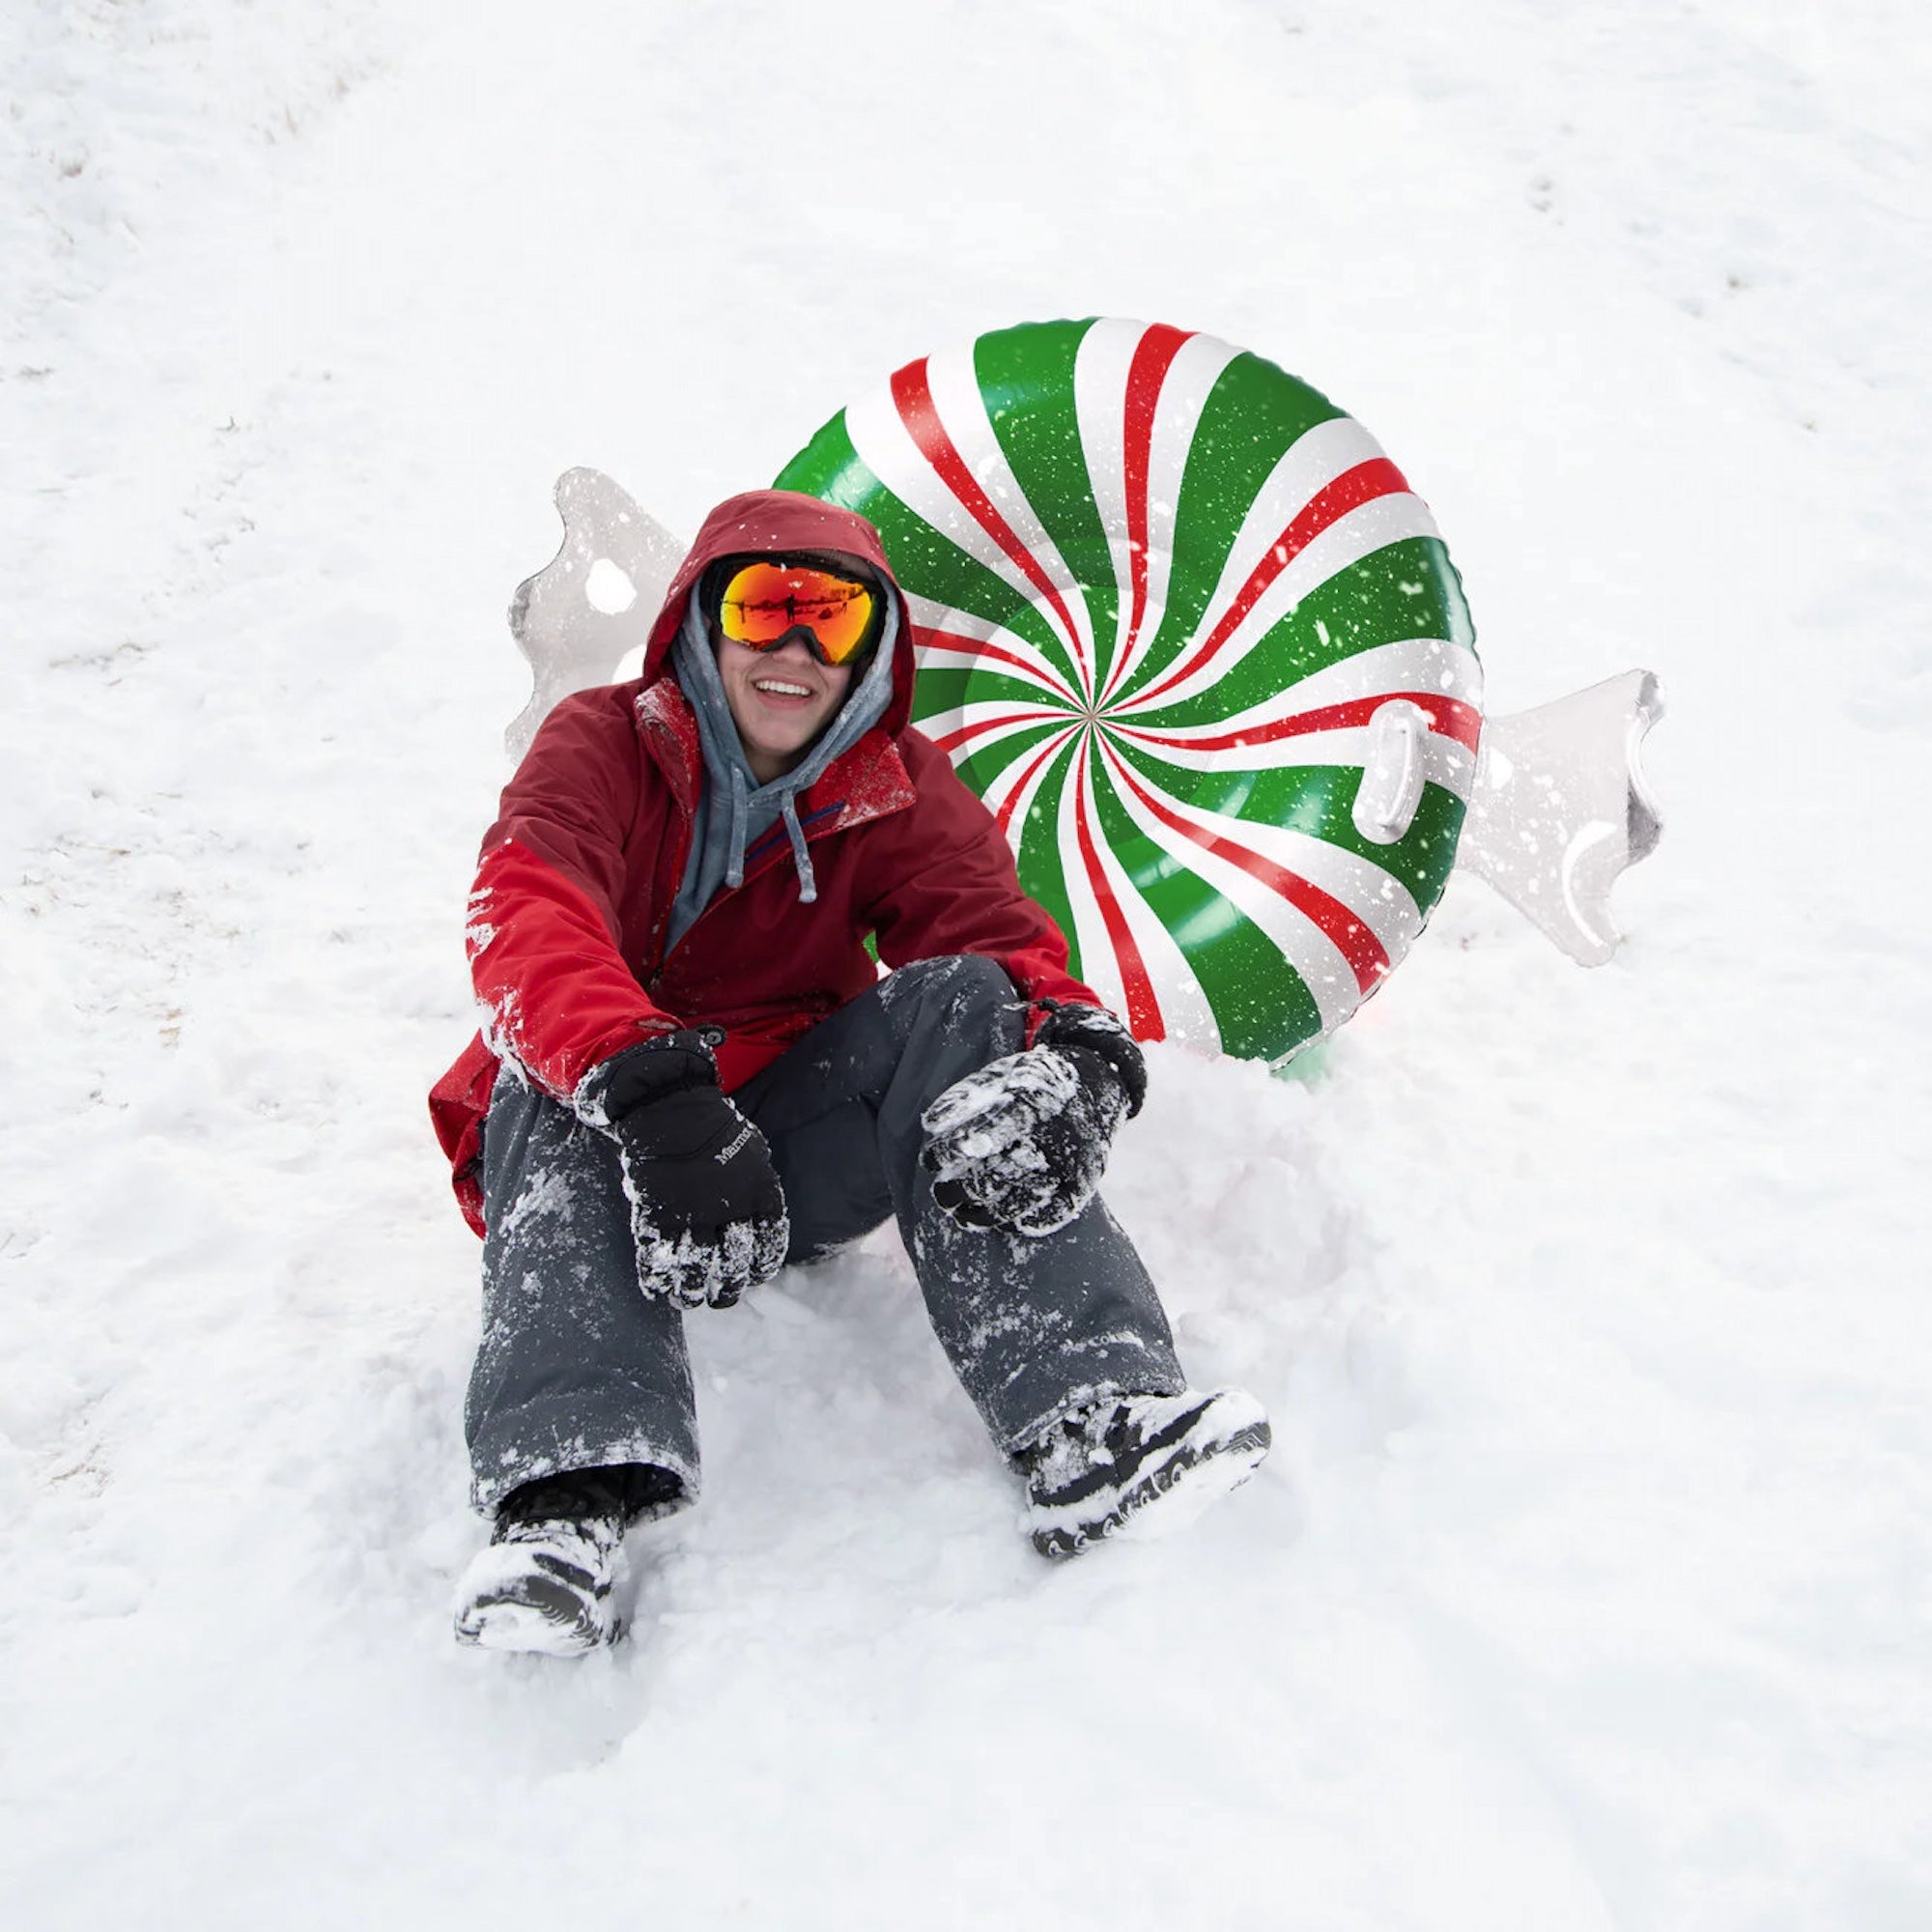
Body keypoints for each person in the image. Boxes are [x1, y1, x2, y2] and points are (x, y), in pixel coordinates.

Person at [430, 489, 1270, 1656]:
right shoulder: (599, 743)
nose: (791, 649)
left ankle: (1084, 1417)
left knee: (967, 998)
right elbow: (528, 907)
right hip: (611, 1152)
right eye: (760, 607)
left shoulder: (894, 783)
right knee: (548, 1057)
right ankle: (560, 1504)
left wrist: (1079, 1055)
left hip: (778, 1156)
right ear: (700, 622)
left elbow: (996, 939)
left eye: (827, 618)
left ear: (870, 646)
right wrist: (653, 1095)